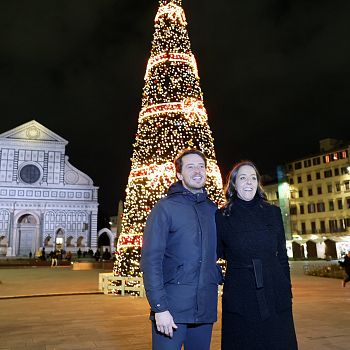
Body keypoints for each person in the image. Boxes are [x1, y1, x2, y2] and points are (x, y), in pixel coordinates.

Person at [141, 149, 222, 350]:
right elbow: (151, 260)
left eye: (201, 166)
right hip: (172, 309)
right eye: (190, 166)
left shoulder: (213, 210)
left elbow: (221, 252)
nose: (197, 171)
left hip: (204, 309)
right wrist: (159, 308)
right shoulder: (165, 208)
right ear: (179, 174)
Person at [215, 160, 298, 350]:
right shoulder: (222, 217)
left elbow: (282, 255)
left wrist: (286, 289)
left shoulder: (273, 212)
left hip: (274, 289)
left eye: (253, 178)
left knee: (277, 342)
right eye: (242, 178)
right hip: (240, 293)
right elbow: (216, 253)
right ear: (234, 184)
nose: (249, 182)